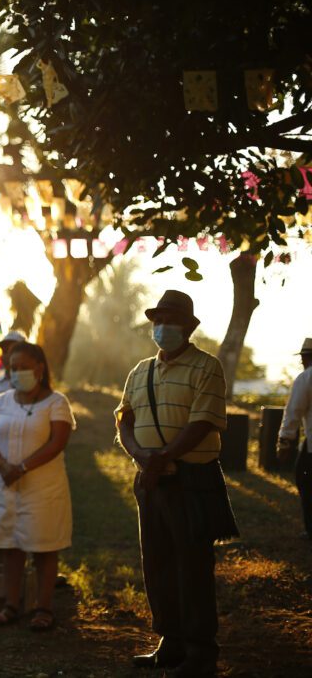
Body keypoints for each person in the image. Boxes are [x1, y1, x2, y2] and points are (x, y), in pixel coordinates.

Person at [115, 289, 238, 678]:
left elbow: (203, 422)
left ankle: (201, 650)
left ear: (187, 327)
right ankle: (170, 641)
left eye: (172, 321)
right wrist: (141, 456)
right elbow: (124, 419)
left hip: (191, 479)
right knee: (157, 562)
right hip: (149, 479)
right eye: (159, 320)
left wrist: (162, 458)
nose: (164, 327)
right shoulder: (139, 371)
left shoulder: (206, 367)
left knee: (193, 565)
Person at [0, 341, 74, 631]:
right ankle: (11, 605)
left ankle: (43, 607)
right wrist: (3, 466)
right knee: (10, 544)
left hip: (42, 487)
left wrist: (21, 467)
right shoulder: (1, 401)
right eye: (13, 368)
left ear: (40, 368)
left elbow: (57, 442)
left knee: (43, 546)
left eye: (23, 367)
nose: (17, 373)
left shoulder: (56, 402)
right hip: (3, 483)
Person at [278, 337, 312, 539]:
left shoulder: (306, 378)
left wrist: (284, 441)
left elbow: (293, 413)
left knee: (306, 484)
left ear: (305, 357)